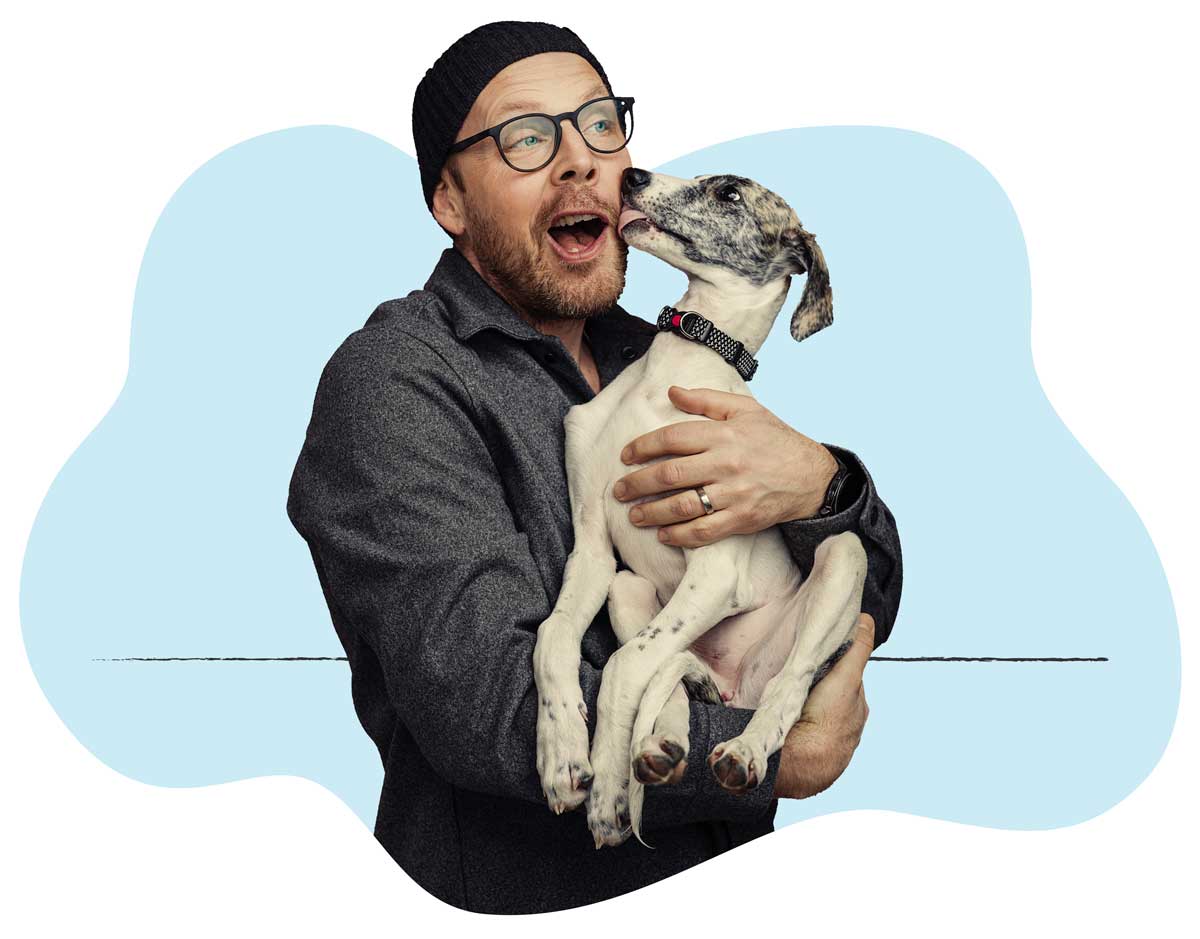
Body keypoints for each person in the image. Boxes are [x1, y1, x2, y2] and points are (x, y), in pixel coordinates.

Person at [286, 20, 903, 915]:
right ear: (450, 201)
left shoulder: (664, 351)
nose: (580, 162)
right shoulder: (393, 383)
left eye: (599, 124)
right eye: (526, 139)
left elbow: (863, 589)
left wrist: (821, 485)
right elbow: (483, 708)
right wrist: (778, 749)